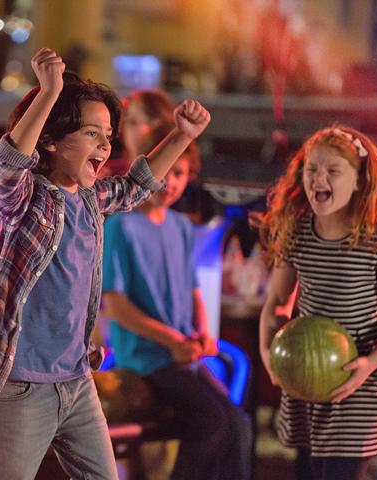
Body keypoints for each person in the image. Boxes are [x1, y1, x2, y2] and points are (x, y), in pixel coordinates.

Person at [0, 47, 210, 480]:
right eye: (91, 133)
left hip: (77, 381)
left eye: (107, 134)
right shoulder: (25, 201)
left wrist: (182, 136)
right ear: (51, 139)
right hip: (23, 385)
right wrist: (49, 93)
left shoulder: (90, 200)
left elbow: (139, 185)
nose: (106, 144)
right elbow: (8, 165)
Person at [102, 110, 252, 480]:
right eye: (164, 173)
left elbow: (193, 291)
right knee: (212, 421)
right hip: (146, 359)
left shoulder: (181, 227)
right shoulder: (122, 225)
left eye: (180, 175)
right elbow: (116, 306)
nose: (169, 183)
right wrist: (171, 341)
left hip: (184, 355)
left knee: (240, 425)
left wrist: (203, 333)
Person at [257, 125, 377, 480]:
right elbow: (279, 302)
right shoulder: (298, 231)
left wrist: (370, 364)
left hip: (357, 383)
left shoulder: (375, 240)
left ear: (359, 181)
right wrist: (268, 353)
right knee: (308, 472)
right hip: (305, 378)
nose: (318, 179)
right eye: (312, 170)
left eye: (333, 171)